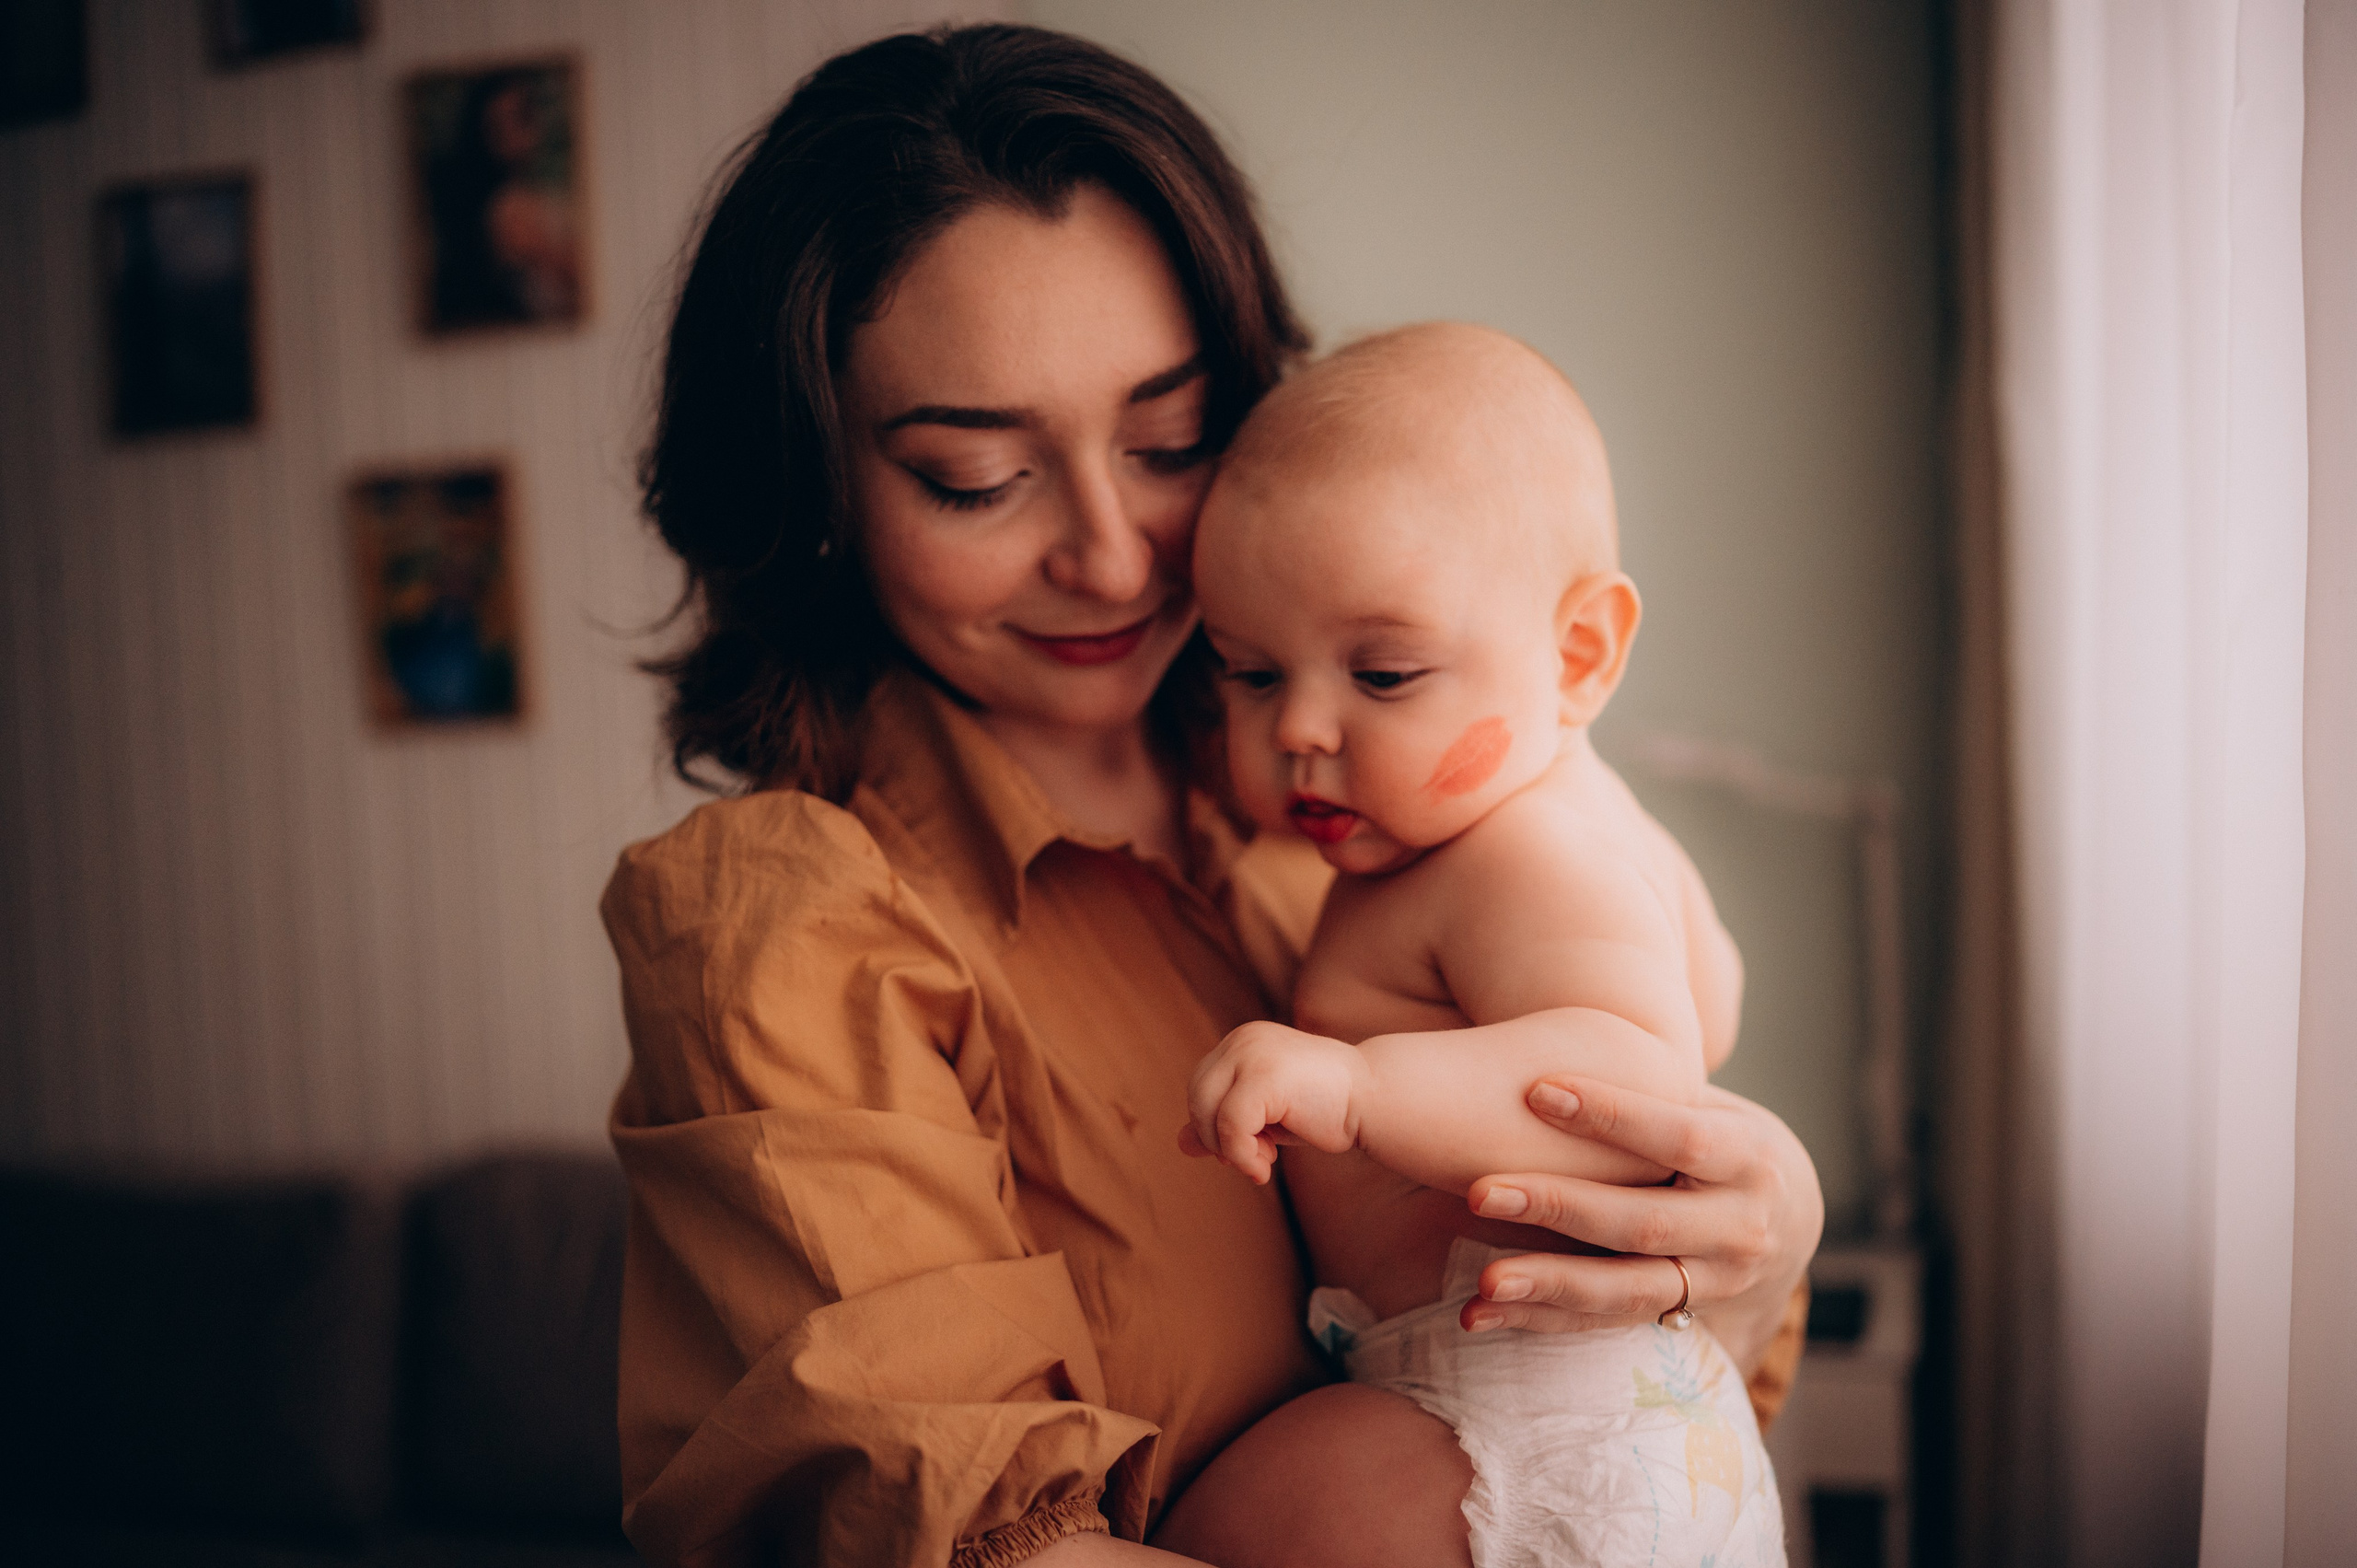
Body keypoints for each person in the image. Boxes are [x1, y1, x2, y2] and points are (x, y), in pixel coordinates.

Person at [601, 24, 1822, 1568]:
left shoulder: (1367, 806)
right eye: (977, 479)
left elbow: (1658, 1422)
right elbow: (956, 1539)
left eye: (1169, 442)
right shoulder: (793, 926)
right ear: (818, 490)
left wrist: (1764, 1239)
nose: (1113, 557)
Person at [1180, 323, 1782, 1566]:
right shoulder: (1593, 827)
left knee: (1200, 1530)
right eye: (1248, 672)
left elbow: (1643, 1080)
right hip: (1620, 1411)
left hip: (1515, 1404)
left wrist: (1362, 1087)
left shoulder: (1518, 851)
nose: (1299, 729)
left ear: (1578, 656)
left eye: (1385, 674)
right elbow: (1712, 998)